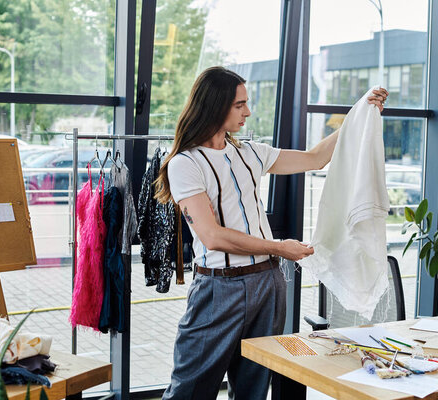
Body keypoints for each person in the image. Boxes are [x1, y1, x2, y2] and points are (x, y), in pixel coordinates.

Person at [155, 66, 388, 400]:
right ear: (214, 105)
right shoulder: (184, 164)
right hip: (218, 289)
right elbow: (212, 236)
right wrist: (279, 248)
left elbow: (316, 158)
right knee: (189, 390)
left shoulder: (249, 152)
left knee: (253, 389)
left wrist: (359, 112)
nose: (247, 111)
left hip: (268, 284)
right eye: (239, 105)